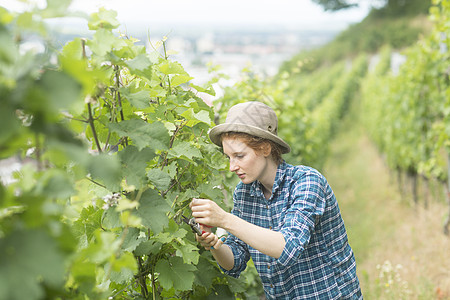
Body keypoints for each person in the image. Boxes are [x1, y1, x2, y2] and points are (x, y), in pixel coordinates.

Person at [190, 101, 363, 299]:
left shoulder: (307, 182)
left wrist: (224, 219)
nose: (232, 166)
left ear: (265, 148)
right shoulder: (244, 194)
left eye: (239, 156)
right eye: (229, 157)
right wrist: (215, 246)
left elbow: (288, 247)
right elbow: (235, 261)